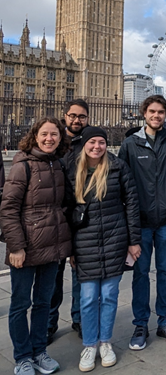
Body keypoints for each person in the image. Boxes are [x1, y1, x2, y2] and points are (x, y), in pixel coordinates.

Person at [1, 117, 73, 375]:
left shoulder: (58, 164)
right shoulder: (23, 166)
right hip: (26, 247)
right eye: (44, 134)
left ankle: (39, 351)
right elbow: (8, 209)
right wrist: (16, 247)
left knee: (44, 303)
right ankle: (22, 357)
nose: (49, 139)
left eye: (54, 134)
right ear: (35, 136)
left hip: (52, 247)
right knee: (20, 304)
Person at [118, 95, 166, 350]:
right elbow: (121, 182)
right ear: (143, 113)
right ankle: (140, 324)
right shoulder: (129, 144)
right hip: (140, 222)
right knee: (140, 274)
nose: (156, 115)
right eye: (152, 111)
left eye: (160, 112)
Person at [71, 127, 142, 372]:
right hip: (85, 242)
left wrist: (134, 241)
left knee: (110, 296)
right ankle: (89, 344)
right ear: (84, 145)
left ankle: (105, 342)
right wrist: (70, 248)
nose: (97, 147)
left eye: (101, 142)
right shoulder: (73, 170)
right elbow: (64, 210)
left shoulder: (118, 166)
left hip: (115, 239)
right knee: (88, 297)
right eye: (92, 142)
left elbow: (132, 203)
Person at [48, 99, 90, 345]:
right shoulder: (53, 142)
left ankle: (79, 319)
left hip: (80, 217)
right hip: (55, 218)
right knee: (53, 277)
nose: (77, 120)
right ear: (65, 116)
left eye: (82, 117)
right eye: (73, 116)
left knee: (79, 273)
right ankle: (49, 324)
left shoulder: (90, 142)